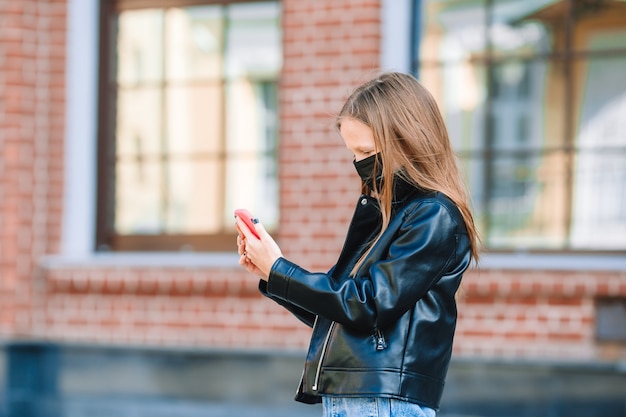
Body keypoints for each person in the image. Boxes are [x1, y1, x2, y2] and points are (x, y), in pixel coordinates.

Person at [235, 71, 480, 417]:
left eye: (366, 151)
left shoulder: (433, 216)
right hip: (362, 399)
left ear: (407, 140)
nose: (360, 165)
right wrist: (272, 274)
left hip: (383, 400)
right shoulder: (390, 213)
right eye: (353, 153)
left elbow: (366, 305)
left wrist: (280, 270)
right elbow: (339, 307)